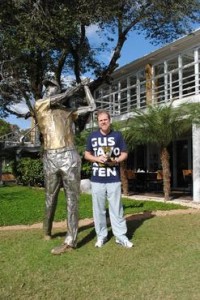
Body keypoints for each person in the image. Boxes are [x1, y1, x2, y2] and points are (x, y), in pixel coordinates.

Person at [34, 78, 96, 255]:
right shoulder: (41, 105)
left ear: (57, 89)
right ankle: (47, 230)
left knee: (72, 199)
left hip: (69, 155)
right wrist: (77, 86)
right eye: (46, 87)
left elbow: (92, 107)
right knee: (50, 197)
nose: (48, 89)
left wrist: (86, 88)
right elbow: (66, 94)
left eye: (52, 86)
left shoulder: (68, 111)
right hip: (51, 157)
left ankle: (71, 240)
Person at [84, 110, 133, 248]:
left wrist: (116, 160)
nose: (103, 122)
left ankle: (120, 236)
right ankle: (101, 236)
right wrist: (96, 158)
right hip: (97, 179)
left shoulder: (117, 135)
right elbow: (87, 154)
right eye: (101, 120)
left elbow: (124, 153)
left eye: (105, 119)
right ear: (98, 122)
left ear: (110, 120)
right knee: (98, 210)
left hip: (113, 178)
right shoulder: (92, 136)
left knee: (116, 209)